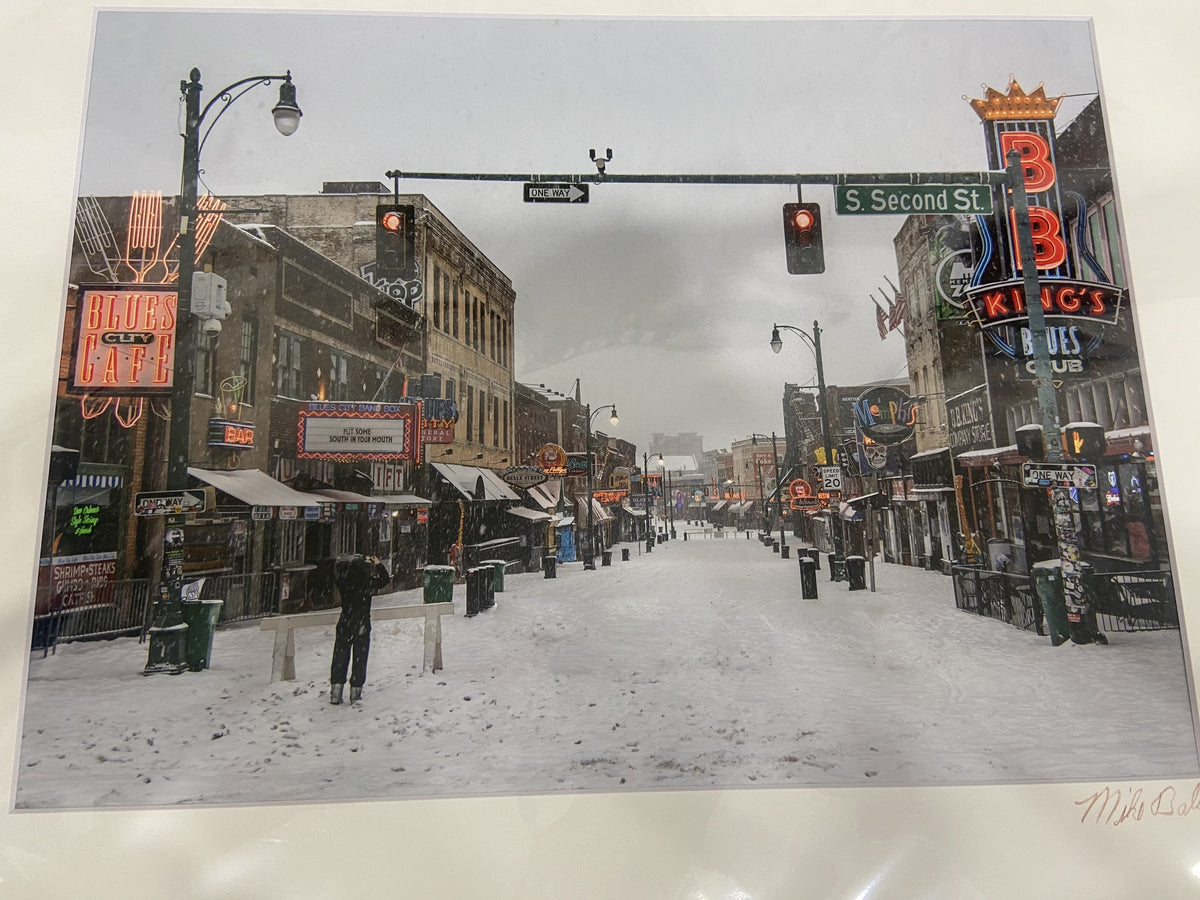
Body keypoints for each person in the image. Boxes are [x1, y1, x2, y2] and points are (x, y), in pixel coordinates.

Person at [330, 554, 390, 705]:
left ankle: (336, 691)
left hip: (345, 623)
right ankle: (355, 692)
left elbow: (337, 574)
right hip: (362, 624)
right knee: (360, 658)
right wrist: (378, 564)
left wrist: (346, 565)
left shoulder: (344, 581)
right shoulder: (367, 582)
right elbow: (385, 579)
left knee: (340, 656)